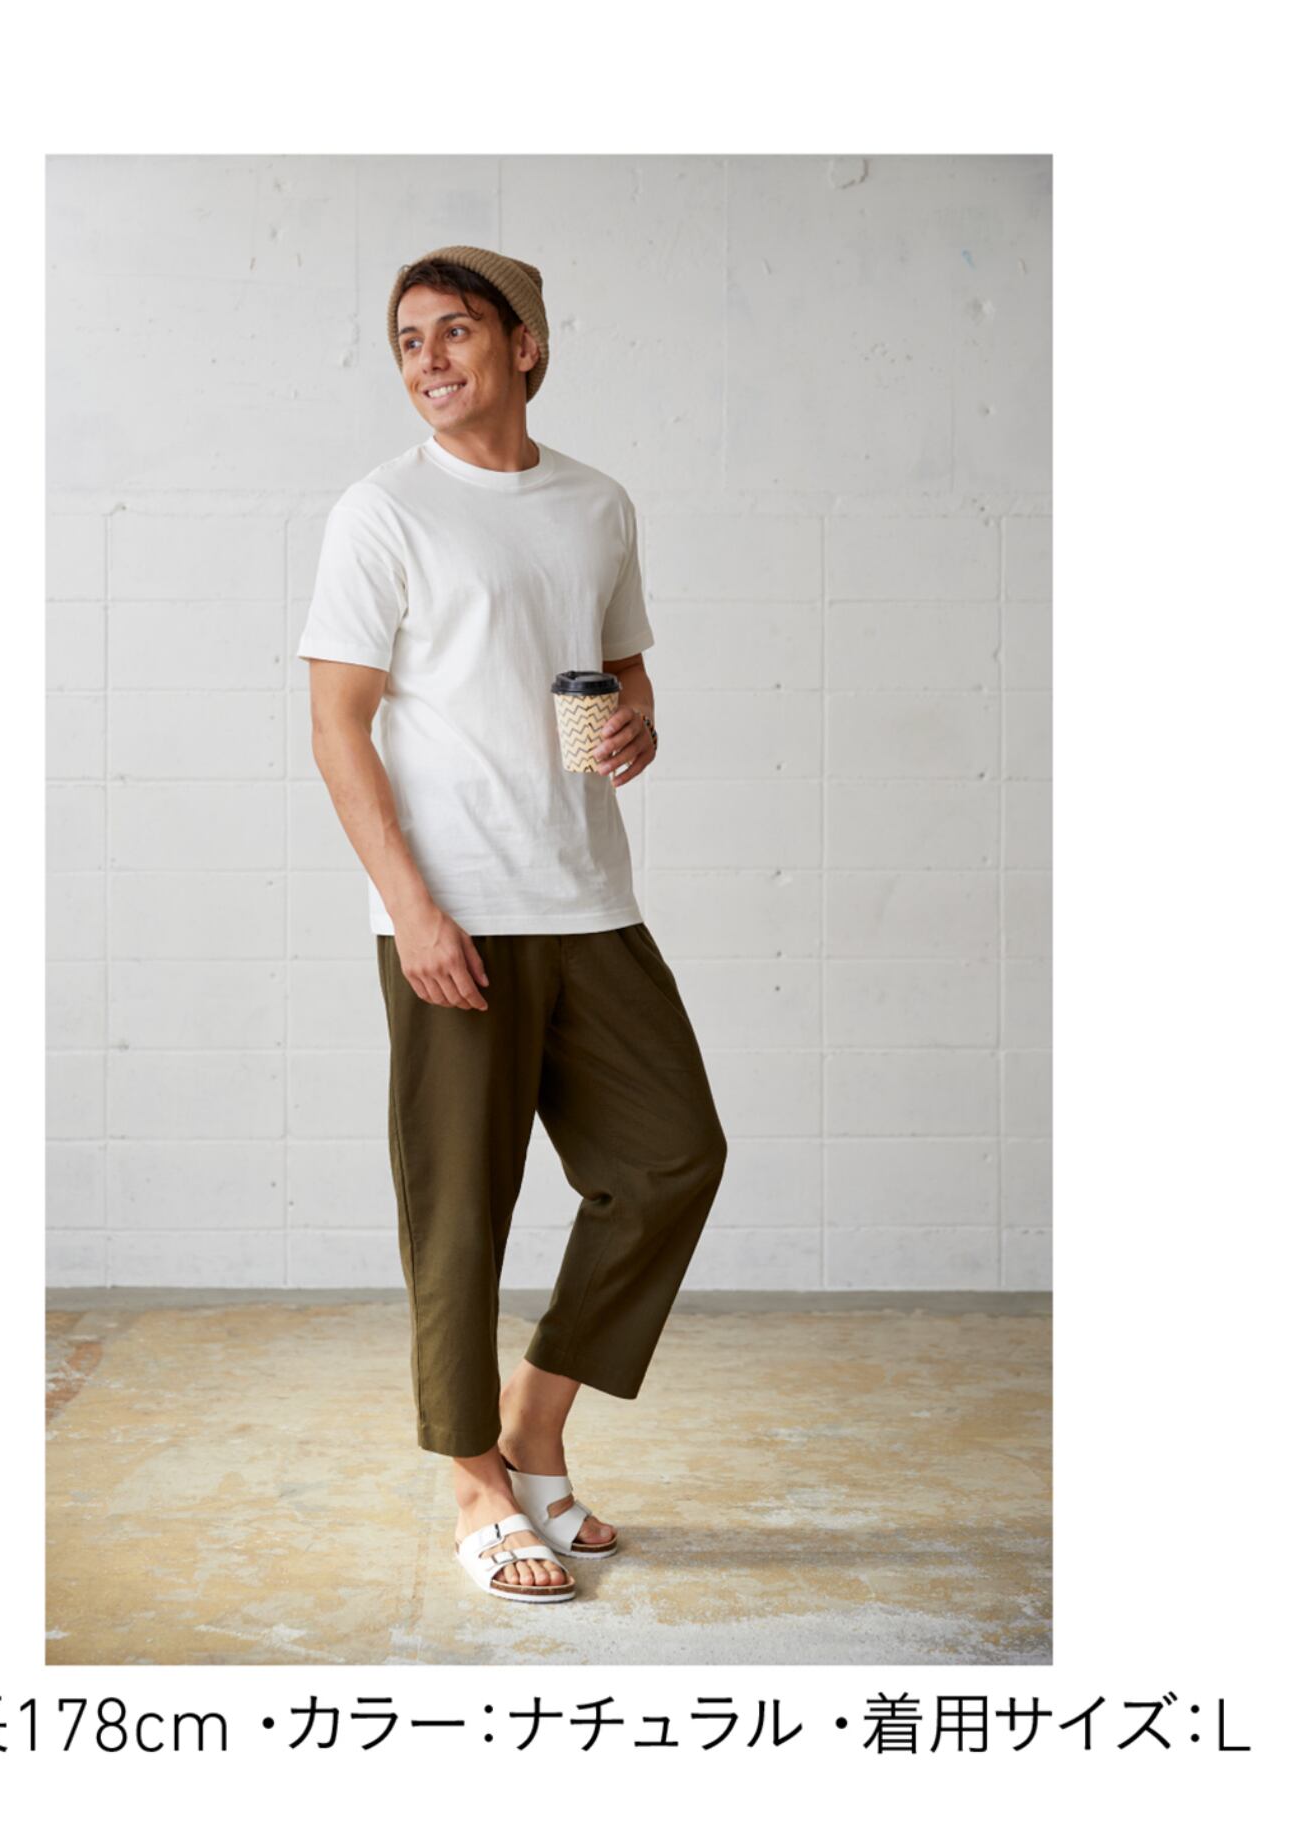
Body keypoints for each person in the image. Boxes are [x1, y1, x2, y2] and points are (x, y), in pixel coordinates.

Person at [295, 245, 727, 1604]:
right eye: (408, 341)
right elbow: (337, 724)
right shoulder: (383, 511)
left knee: (671, 1158)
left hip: (586, 895)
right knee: (459, 1214)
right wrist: (412, 910)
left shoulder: (596, 504)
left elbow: (619, 662)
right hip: (452, 909)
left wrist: (638, 715)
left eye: (455, 332)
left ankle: (534, 1426)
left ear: (524, 346)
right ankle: (476, 1483)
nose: (428, 360)